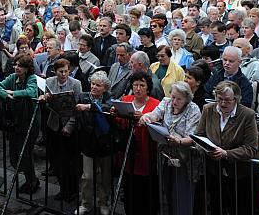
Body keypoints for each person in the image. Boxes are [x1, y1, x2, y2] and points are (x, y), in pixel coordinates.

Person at [194, 80, 258, 215]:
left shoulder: (247, 115)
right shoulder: (208, 109)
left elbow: (251, 148)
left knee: (239, 208)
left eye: (228, 100)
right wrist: (207, 149)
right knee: (216, 206)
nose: (223, 104)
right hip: (213, 171)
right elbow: (199, 135)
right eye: (219, 99)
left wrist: (226, 153)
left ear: (236, 99)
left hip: (239, 174)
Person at [139, 81, 201, 215]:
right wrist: (147, 117)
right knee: (166, 192)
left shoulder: (193, 109)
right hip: (165, 155)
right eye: (173, 97)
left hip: (185, 159)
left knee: (182, 195)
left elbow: (192, 137)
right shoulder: (166, 102)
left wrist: (178, 141)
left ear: (187, 99)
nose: (174, 101)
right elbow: (154, 114)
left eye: (179, 99)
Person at [0, 54, 40, 194]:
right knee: (16, 151)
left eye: (20, 65)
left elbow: (32, 91)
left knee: (26, 152)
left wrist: (14, 92)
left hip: (30, 120)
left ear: (27, 68)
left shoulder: (32, 78)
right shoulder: (13, 77)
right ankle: (29, 179)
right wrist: (6, 95)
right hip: (16, 120)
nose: (16, 67)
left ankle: (32, 181)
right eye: (16, 64)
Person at [118, 71, 161, 215]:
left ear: (148, 88)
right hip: (128, 151)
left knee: (146, 189)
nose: (138, 88)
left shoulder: (156, 104)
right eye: (135, 85)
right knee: (130, 186)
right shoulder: (126, 99)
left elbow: (159, 125)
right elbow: (119, 121)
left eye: (142, 85)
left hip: (147, 152)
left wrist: (144, 117)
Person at [40, 58, 82, 201]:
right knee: (56, 159)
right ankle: (63, 188)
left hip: (69, 125)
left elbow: (78, 108)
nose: (64, 74)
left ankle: (72, 190)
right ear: (55, 71)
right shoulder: (49, 81)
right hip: (54, 123)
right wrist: (47, 99)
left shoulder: (76, 84)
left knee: (70, 160)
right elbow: (48, 106)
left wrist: (69, 126)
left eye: (66, 71)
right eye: (60, 71)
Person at [73, 71, 113, 215]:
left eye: (98, 85)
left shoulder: (109, 97)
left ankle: (104, 203)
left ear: (105, 88)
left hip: (105, 143)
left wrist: (89, 107)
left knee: (105, 176)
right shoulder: (83, 96)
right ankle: (86, 204)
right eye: (92, 84)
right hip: (87, 143)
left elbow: (109, 108)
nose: (94, 87)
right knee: (87, 177)